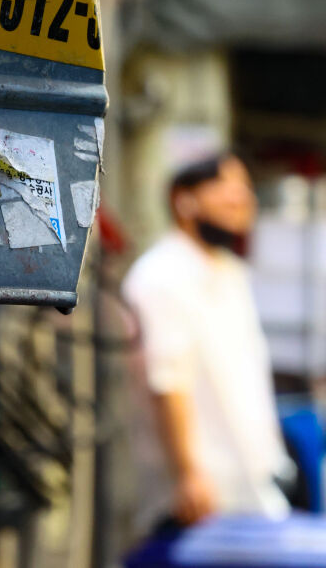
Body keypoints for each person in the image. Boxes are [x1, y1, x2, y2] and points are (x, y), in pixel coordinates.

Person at [122, 152, 294, 532]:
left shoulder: (229, 271)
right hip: (199, 496)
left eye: (245, 188)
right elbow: (168, 382)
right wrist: (189, 474)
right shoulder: (161, 275)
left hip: (248, 484)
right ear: (184, 200)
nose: (242, 198)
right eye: (226, 186)